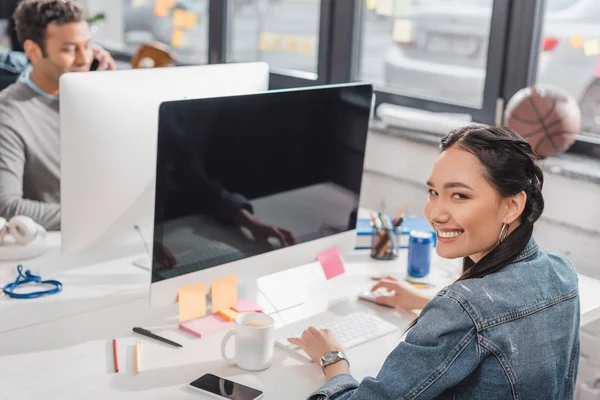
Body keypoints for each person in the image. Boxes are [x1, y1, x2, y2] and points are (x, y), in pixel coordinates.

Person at [289, 125, 580, 399]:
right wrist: (425, 301)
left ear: (512, 205)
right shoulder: (561, 273)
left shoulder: (462, 309)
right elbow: (501, 319)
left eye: (459, 195)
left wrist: (333, 358)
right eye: (433, 192)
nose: (436, 213)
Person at [0, 0, 116, 230]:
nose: (84, 59)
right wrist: (100, 217)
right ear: (33, 51)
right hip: (62, 243)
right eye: (69, 49)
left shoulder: (95, 93)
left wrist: (114, 88)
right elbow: (7, 206)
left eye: (87, 45)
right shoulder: (9, 115)